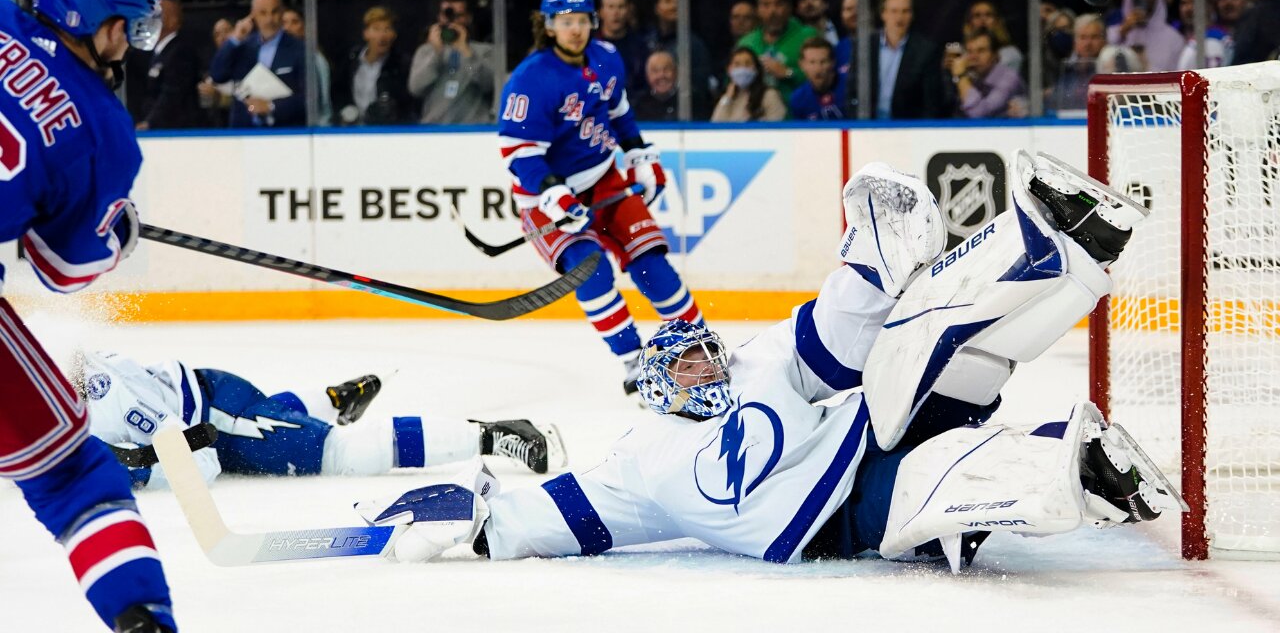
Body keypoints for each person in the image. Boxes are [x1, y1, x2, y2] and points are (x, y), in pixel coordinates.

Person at [358, 153, 1182, 570]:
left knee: (935, 335)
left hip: (862, 437)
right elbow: (550, 519)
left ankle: (1066, 245)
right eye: (685, 368)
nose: (706, 368)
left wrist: (871, 265)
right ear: (655, 389)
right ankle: (1084, 468)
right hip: (837, 522)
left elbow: (830, 339)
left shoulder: (753, 365)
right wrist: (471, 514)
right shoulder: (638, 465)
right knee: (942, 477)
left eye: (704, 353)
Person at [0, 0, 179, 633]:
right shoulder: (104, 130)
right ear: (96, 22)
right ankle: (142, 620)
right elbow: (60, 269)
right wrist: (114, 237)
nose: (129, 41)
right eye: (126, 25)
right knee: (75, 478)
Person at [497, 0, 704, 394]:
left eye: (581, 21)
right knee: (590, 271)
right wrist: (554, 193)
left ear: (592, 22)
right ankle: (633, 360)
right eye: (565, 22)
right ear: (549, 26)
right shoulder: (529, 81)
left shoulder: (607, 58)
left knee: (652, 264)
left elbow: (620, 114)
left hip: (605, 179)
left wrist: (640, 154)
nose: (575, 30)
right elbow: (517, 153)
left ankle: (697, 347)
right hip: (546, 198)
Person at [75, 351, 567, 485]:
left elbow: (199, 462)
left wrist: (135, 467)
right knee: (275, 422)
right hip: (216, 404)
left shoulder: (103, 392)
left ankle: (495, 436)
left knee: (338, 453)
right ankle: (332, 398)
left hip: (217, 419)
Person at [209, 0, 307, 127]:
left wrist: (271, 106)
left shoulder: (299, 49)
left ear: (281, 13)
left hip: (284, 133)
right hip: (244, 133)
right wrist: (234, 39)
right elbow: (217, 75)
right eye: (263, 13)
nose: (269, 19)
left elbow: (309, 98)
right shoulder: (243, 46)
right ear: (253, 15)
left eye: (274, 12)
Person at [408, 0, 497, 124]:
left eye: (458, 15)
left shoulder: (485, 51)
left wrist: (466, 53)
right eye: (447, 15)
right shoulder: (426, 51)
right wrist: (436, 54)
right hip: (434, 128)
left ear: (468, 18)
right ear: (439, 17)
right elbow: (415, 88)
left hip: (474, 128)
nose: (452, 21)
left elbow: (487, 84)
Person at [862, 0, 945, 119]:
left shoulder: (925, 51)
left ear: (912, 15)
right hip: (868, 128)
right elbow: (852, 92)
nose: (899, 18)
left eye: (905, 11)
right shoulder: (865, 46)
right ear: (883, 13)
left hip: (907, 128)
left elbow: (931, 102)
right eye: (894, 11)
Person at [736, 0, 818, 102]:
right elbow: (731, 82)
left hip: (796, 116)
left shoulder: (808, 36)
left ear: (789, 7)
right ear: (757, 10)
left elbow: (822, 76)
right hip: (755, 115)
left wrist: (788, 73)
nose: (772, 11)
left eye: (779, 4)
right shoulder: (746, 43)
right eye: (765, 5)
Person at [333, 5, 413, 125]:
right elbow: (338, 93)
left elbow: (407, 105)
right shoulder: (350, 61)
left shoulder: (401, 65)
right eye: (376, 29)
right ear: (366, 34)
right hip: (353, 131)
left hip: (386, 132)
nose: (382, 35)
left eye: (387, 29)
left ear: (394, 35)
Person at [132, 0, 203, 130]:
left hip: (175, 132)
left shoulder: (180, 52)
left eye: (158, 13)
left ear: (173, 21)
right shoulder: (158, 52)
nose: (151, 16)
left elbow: (172, 94)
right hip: (160, 128)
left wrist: (150, 122)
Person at [641, 0, 714, 109]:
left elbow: (699, 87)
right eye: (668, 1)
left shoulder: (694, 45)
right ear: (657, 7)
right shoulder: (646, 41)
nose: (674, 6)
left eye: (678, 2)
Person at [1049, 14, 1139, 113]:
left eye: (1094, 37)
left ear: (1104, 40)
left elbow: (1120, 102)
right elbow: (1056, 102)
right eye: (1083, 37)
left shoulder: (1115, 60)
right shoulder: (1068, 69)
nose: (1088, 43)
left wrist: (1111, 73)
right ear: (1074, 42)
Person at [1106, 0, 1183, 72]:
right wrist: (1122, 31)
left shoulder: (1175, 39)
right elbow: (1103, 66)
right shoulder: (1112, 33)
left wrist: (1146, 67)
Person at [951, 29, 1027, 119]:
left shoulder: (1008, 78)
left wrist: (961, 76)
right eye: (970, 52)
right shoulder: (971, 77)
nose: (974, 57)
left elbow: (978, 114)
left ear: (995, 55)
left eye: (981, 51)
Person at [282, 6, 333, 126]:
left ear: (305, 27)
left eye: (294, 22)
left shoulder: (315, 59)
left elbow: (322, 102)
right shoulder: (281, 59)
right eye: (284, 22)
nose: (288, 28)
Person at [595, 0, 648, 100]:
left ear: (628, 11)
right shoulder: (589, 47)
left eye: (621, 7)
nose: (616, 13)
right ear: (600, 12)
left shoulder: (640, 47)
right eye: (611, 7)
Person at [711, 47, 786, 122]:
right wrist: (727, 99)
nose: (743, 68)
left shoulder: (769, 95)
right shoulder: (727, 97)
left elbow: (777, 127)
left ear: (756, 69)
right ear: (729, 70)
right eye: (737, 64)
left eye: (748, 64)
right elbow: (715, 126)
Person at [789, 37, 847, 120]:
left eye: (823, 62)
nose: (818, 68)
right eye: (812, 62)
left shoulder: (849, 86)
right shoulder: (799, 99)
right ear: (801, 65)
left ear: (833, 62)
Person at [1174, 0, 1227, 70]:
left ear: (1209, 5)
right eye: (1184, 3)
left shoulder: (1220, 37)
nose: (1188, 8)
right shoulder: (1174, 34)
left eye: (1193, 2)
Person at [962, 0, 1023, 73]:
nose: (982, 19)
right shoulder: (961, 53)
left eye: (988, 15)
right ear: (969, 22)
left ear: (997, 21)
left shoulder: (1010, 54)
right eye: (977, 15)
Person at [630, 50, 683, 122]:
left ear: (675, 72)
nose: (661, 75)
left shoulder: (691, 102)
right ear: (647, 75)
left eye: (666, 69)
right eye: (655, 71)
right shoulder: (638, 105)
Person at [834, 0, 858, 76]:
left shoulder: (883, 44)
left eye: (859, 8)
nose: (854, 13)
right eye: (848, 9)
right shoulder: (838, 49)